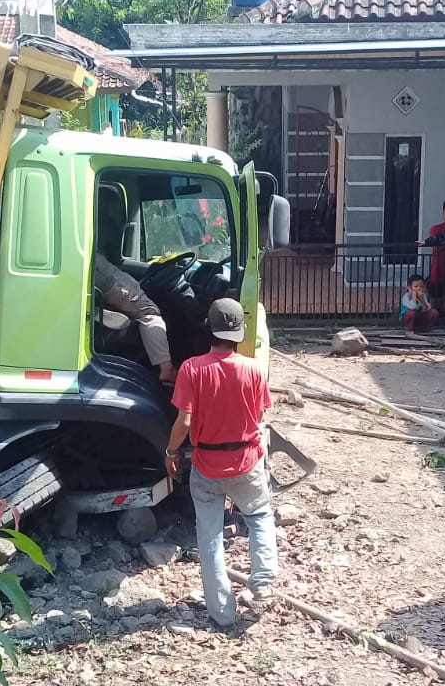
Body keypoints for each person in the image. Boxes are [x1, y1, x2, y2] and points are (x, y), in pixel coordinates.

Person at [165, 298, 277, 627]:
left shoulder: (191, 369)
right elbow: (258, 415)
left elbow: (184, 422)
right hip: (247, 462)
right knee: (258, 516)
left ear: (208, 329)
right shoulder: (253, 369)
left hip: (207, 465)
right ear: (239, 333)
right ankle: (264, 580)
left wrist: (171, 452)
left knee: (210, 536)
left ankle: (222, 614)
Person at [94, 189, 176, 383]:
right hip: (97, 268)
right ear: (105, 205)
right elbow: (113, 258)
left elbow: (117, 261)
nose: (119, 212)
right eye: (115, 206)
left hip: (94, 268)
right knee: (148, 312)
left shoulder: (92, 217)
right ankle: (166, 368)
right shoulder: (107, 221)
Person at [419, 199, 445, 315]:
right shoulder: (435, 229)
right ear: (443, 214)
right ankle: (433, 320)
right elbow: (436, 244)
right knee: (435, 299)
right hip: (438, 268)